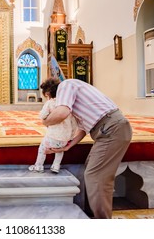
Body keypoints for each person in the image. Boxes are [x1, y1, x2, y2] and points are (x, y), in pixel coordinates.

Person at [43, 78, 132, 219]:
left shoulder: (66, 85)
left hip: (111, 129)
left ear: (48, 93)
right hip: (109, 130)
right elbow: (83, 129)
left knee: (96, 176)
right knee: (92, 171)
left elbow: (61, 113)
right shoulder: (75, 95)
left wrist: (45, 120)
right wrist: (68, 146)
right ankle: (92, 215)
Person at [28, 78, 77, 173]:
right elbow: (73, 122)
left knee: (42, 148)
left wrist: (46, 119)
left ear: (47, 94)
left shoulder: (50, 103)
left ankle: (38, 166)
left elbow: (42, 115)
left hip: (52, 136)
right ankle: (56, 166)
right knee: (59, 150)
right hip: (65, 138)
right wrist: (70, 136)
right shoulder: (66, 104)